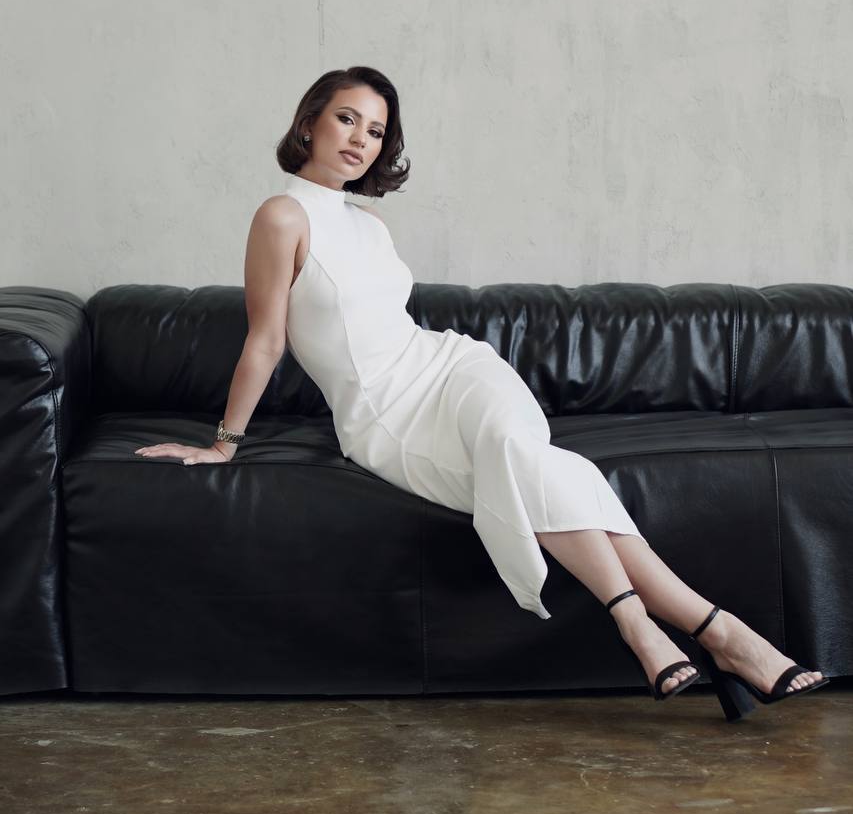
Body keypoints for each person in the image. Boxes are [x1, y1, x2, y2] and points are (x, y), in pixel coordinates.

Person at [135, 66, 828, 720]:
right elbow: (266, 340)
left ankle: (650, 627)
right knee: (539, 466)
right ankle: (709, 631)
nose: (359, 140)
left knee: (511, 444)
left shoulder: (371, 226)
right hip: (385, 413)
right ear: (309, 121)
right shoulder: (281, 217)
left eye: (375, 131)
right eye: (346, 119)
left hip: (453, 366)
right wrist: (224, 446)